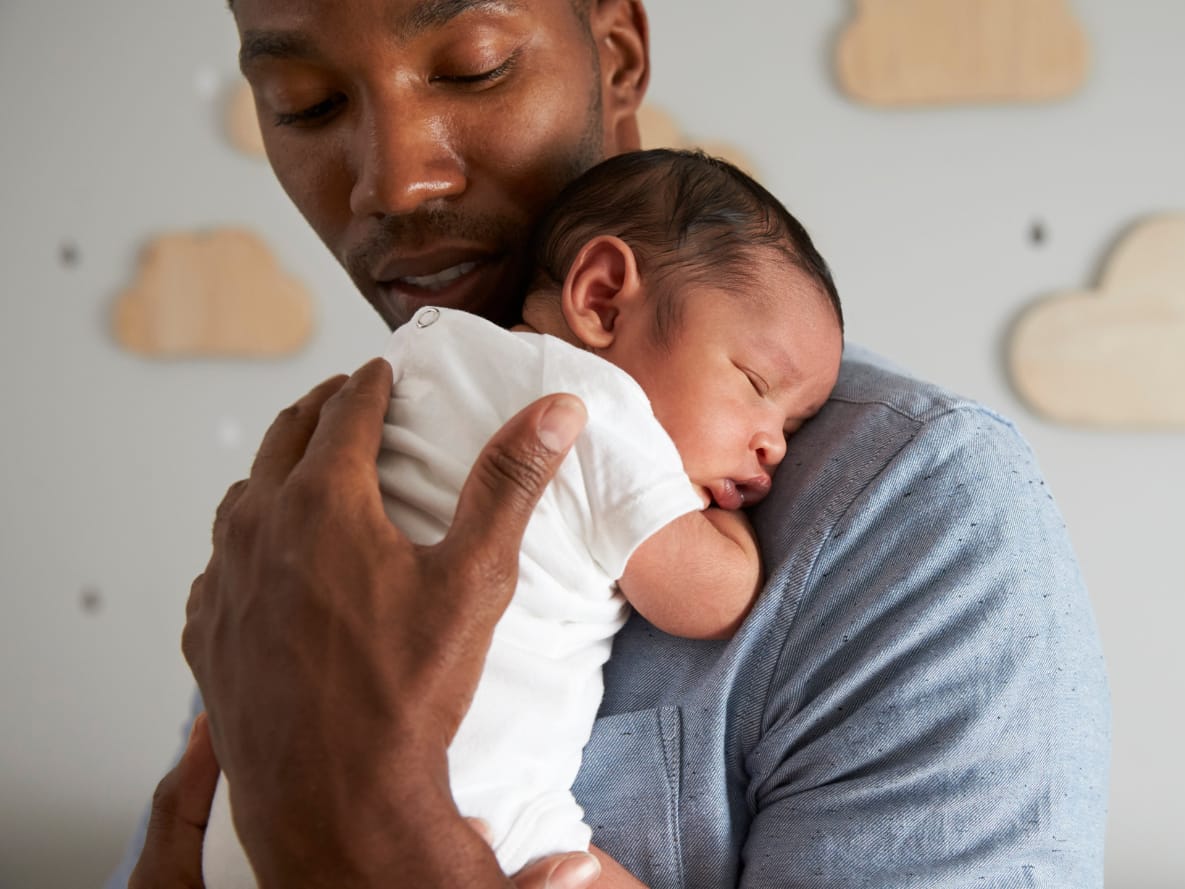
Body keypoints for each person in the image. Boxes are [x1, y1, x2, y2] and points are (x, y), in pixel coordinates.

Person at [114, 1, 1111, 887]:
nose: (397, 181)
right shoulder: (329, 484)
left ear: (617, 55)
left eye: (473, 67)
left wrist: (377, 839)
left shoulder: (915, 512)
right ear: (598, 295)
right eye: (306, 104)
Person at [198, 148, 845, 886]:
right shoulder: (596, 407)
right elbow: (714, 599)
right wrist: (722, 522)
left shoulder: (427, 356)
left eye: (793, 426)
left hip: (248, 814)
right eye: (756, 383)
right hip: (463, 807)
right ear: (602, 299)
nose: (774, 445)